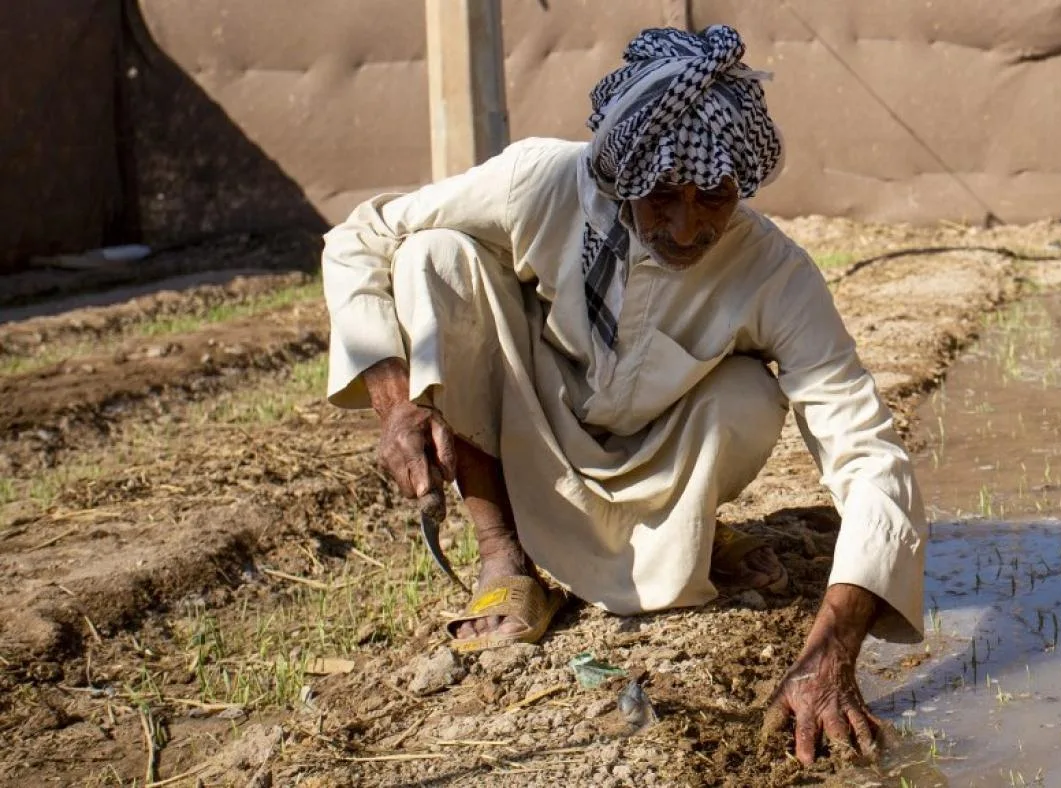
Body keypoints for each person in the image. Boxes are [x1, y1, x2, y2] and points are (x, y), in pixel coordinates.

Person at [321, 24, 926, 764]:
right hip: (534, 419)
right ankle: (504, 560)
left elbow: (870, 457)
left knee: (748, 394)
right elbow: (360, 236)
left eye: (714, 198)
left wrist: (830, 655)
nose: (686, 226)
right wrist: (397, 401)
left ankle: (684, 536)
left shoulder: (774, 273)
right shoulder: (542, 182)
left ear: (743, 183)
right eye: (661, 197)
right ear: (619, 175)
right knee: (431, 257)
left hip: (662, 452)